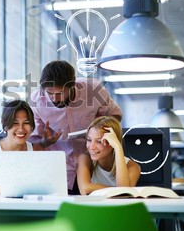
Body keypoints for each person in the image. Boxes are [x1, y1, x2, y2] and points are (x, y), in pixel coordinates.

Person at [29, 60, 122, 194]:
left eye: (60, 93)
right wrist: (45, 141)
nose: (55, 98)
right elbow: (31, 142)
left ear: (72, 85)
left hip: (95, 165)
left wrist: (97, 130)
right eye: (50, 93)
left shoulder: (93, 90)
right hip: (59, 170)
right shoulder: (36, 101)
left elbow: (115, 116)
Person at [76, 116, 141, 195]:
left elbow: (124, 195)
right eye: (89, 140)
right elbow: (85, 189)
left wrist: (118, 148)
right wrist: (118, 190)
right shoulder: (85, 159)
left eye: (99, 141)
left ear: (112, 142)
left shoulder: (132, 167)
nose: (92, 147)